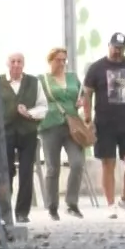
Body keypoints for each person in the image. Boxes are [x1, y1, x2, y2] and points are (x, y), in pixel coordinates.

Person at [80, 32, 125, 218]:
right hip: (104, 123)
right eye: (114, 48)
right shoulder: (97, 68)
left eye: (121, 49)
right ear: (109, 45)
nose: (117, 52)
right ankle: (110, 203)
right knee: (108, 164)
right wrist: (88, 119)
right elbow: (86, 94)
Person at [0, 52, 46, 223]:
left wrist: (30, 113)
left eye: (19, 62)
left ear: (23, 64)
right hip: (6, 132)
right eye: (13, 61)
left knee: (26, 171)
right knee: (6, 171)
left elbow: (43, 106)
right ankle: (5, 211)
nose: (16, 65)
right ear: (7, 64)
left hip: (28, 132)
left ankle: (22, 212)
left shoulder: (34, 82)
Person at [39, 46, 86, 220]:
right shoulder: (42, 80)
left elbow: (83, 94)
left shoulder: (72, 78)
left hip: (72, 125)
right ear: (50, 60)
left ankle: (71, 203)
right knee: (53, 167)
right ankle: (52, 207)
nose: (61, 63)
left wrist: (82, 101)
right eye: (58, 60)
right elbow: (37, 101)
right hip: (50, 125)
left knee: (77, 163)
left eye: (63, 60)